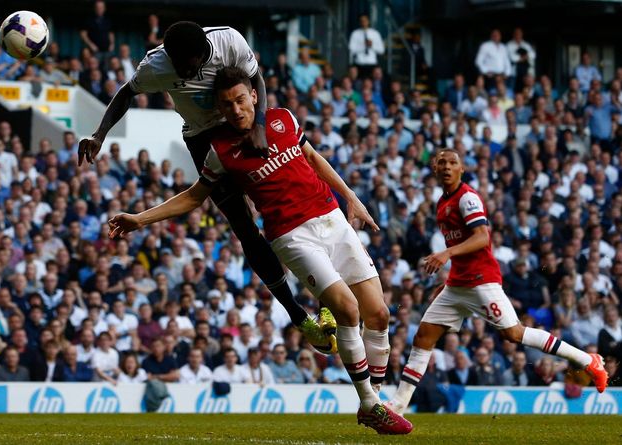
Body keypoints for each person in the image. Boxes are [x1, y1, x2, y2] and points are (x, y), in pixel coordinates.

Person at [108, 66, 408, 435]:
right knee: (347, 309)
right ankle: (369, 404)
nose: (235, 110)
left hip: (332, 219)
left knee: (378, 314)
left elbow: (314, 159)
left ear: (253, 95)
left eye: (240, 100)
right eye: (226, 105)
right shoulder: (221, 152)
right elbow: (194, 197)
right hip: (293, 236)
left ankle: (374, 398)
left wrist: (351, 198)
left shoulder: (283, 119)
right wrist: (141, 218)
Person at [77, 21, 332, 351]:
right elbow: (127, 92)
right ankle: (299, 317)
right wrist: (100, 134)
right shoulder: (157, 65)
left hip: (240, 122)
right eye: (177, 65)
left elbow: (256, 80)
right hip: (203, 138)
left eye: (188, 65)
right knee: (243, 226)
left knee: (291, 208)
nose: (182, 71)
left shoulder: (228, 42)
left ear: (202, 55)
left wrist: (258, 125)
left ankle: (327, 300)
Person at [385, 148, 609, 433]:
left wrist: (446, 254)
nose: (446, 166)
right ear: (434, 168)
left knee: (513, 334)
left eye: (452, 162)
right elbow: (465, 247)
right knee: (423, 336)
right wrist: (448, 277)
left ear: (461, 169)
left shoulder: (467, 198)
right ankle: (397, 407)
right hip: (457, 284)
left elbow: (482, 238)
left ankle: (588, 360)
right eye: (441, 162)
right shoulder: (441, 203)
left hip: (481, 281)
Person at [348, 14, 384, 79]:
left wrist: (372, 45)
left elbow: (381, 50)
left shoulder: (375, 33)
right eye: (361, 21)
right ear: (359, 22)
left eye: (365, 20)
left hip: (372, 63)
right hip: (359, 63)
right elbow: (351, 50)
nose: (363, 22)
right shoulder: (355, 33)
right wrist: (363, 46)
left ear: (368, 21)